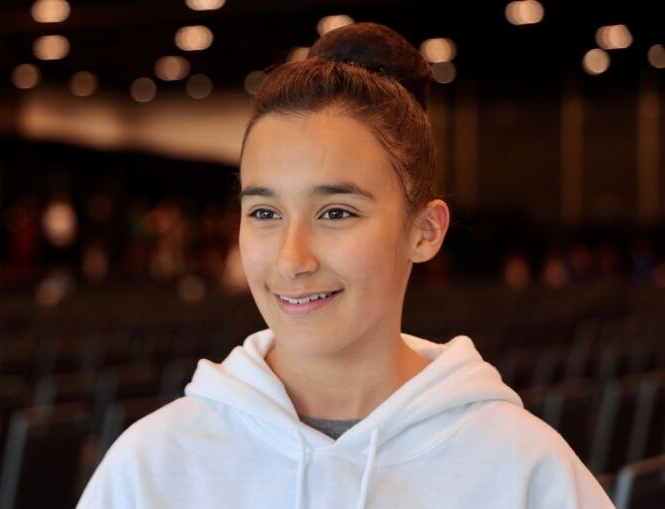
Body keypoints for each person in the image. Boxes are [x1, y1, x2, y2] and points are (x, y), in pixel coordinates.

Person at [77, 22, 614, 508]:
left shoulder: (524, 471)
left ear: (425, 232)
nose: (292, 258)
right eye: (264, 211)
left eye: (336, 212)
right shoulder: (152, 469)